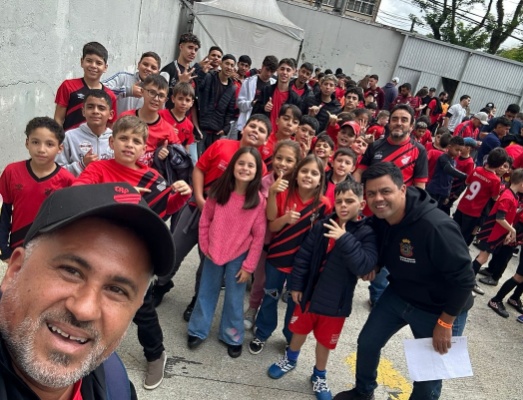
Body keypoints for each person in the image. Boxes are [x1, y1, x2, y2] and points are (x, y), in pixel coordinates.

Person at [0, 181, 174, 399]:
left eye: (117, 290)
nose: (84, 309)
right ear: (15, 270)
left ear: (136, 308)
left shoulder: (115, 384)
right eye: (71, 271)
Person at [333, 162, 475, 400]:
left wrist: (446, 322)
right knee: (368, 342)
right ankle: (363, 392)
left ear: (402, 189)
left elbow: (465, 279)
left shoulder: (436, 227)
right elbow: (381, 242)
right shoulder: (381, 217)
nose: (378, 199)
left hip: (440, 308)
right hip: (400, 294)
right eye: (371, 193)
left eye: (385, 191)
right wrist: (376, 263)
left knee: (427, 379)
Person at [75, 115, 191, 389]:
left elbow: (164, 210)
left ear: (144, 148)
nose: (129, 144)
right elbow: (77, 194)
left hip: (135, 255)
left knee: (142, 308)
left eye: (136, 141)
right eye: (124, 138)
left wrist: (182, 195)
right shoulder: (98, 169)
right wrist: (120, 192)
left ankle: (155, 354)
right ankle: (87, 349)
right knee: (91, 302)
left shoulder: (153, 178)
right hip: (98, 250)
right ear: (112, 142)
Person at [267, 180, 377, 400]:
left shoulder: (366, 233)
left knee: (325, 340)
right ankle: (290, 358)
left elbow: (363, 265)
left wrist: (344, 238)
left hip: (336, 302)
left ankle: (319, 374)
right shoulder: (322, 225)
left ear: (362, 204)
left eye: (349, 201)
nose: (343, 205)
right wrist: (297, 285)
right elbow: (304, 257)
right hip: (309, 294)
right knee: (299, 330)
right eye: (339, 201)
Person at [151, 115, 271, 316]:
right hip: (197, 206)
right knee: (176, 248)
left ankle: (197, 299)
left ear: (266, 140)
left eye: (261, 130)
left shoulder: (260, 167)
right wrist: (199, 198)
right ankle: (161, 285)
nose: (255, 131)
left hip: (223, 222)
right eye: (253, 126)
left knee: (208, 260)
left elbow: (251, 200)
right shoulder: (222, 145)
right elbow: (199, 169)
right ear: (243, 127)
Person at [249, 155, 332, 355]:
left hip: (302, 266)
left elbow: (324, 238)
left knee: (295, 304)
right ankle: (262, 332)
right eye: (304, 171)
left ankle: (290, 337)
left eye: (314, 173)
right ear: (296, 174)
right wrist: (285, 218)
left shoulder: (324, 205)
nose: (308, 176)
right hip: (277, 258)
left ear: (320, 180)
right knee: (270, 296)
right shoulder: (283, 194)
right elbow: (271, 224)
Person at [187, 147, 266, 358]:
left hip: (239, 256)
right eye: (241, 163)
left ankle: (232, 335)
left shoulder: (258, 200)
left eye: (251, 165)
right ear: (233, 166)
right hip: (213, 251)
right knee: (206, 291)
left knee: (234, 297)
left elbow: (258, 236)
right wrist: (205, 246)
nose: (245, 168)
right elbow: (205, 220)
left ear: (257, 171)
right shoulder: (218, 191)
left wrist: (249, 266)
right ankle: (198, 329)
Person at [244, 140, 302, 330]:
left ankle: (265, 317)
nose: (282, 164)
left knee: (274, 284)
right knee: (259, 280)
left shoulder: (299, 186)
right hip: (264, 242)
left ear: (297, 163)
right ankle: (253, 308)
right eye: (279, 158)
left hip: (286, 245)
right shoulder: (264, 182)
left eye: (289, 160)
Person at [0, 117, 74, 260]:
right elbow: (3, 213)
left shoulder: (67, 180)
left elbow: (70, 222)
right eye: (35, 142)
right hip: (17, 248)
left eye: (49, 144)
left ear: (60, 148)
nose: (41, 149)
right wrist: (4, 249)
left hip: (50, 250)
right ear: (27, 143)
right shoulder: (11, 172)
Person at [470, 169, 523, 296]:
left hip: (496, 234)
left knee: (483, 257)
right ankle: (468, 282)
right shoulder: (508, 197)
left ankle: (468, 280)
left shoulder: (513, 196)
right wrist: (512, 230)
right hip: (491, 233)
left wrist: (509, 230)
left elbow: (509, 216)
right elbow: (500, 218)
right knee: (482, 258)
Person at [119, 74, 180, 167]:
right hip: (120, 170)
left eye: (161, 96)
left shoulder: (168, 130)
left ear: (165, 100)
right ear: (142, 91)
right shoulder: (125, 118)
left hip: (148, 174)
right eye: (152, 92)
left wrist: (167, 154)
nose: (156, 99)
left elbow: (180, 157)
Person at [54, 42, 117, 131]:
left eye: (98, 63)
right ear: (82, 62)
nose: (93, 66)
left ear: (105, 67)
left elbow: (110, 125)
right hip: (69, 139)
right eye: (89, 61)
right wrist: (59, 138)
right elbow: (58, 119)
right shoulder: (68, 86)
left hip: (96, 140)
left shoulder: (110, 95)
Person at [453, 147, 508, 246]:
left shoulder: (477, 169)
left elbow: (467, 183)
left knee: (452, 229)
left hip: (462, 205)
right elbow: (494, 197)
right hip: (474, 212)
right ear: (500, 165)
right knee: (463, 237)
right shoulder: (496, 180)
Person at [56, 89, 115, 176]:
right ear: (83, 111)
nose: (95, 111)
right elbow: (57, 172)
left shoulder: (116, 139)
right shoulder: (69, 137)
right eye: (90, 107)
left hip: (109, 185)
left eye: (101, 108)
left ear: (111, 114)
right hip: (78, 184)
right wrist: (81, 165)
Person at [197, 54, 238, 150]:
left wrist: (226, 128)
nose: (229, 67)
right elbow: (197, 89)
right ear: (221, 64)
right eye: (227, 63)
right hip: (201, 127)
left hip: (216, 131)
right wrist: (201, 73)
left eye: (232, 65)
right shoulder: (209, 77)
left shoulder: (232, 88)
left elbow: (229, 111)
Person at [103, 51, 161, 116]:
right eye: (145, 64)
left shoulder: (158, 91)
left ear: (158, 72)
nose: (148, 69)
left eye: (153, 68)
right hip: (116, 121)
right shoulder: (123, 77)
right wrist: (128, 91)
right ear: (138, 65)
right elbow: (100, 89)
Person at [252, 58, 301, 132]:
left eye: (288, 70)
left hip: (282, 135)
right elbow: (254, 111)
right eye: (282, 69)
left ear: (293, 73)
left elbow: (296, 123)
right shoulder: (266, 90)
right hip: (265, 133)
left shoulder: (295, 99)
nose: (284, 72)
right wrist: (264, 108)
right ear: (277, 70)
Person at [236, 55, 278, 135]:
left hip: (263, 128)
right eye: (267, 70)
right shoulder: (248, 82)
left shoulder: (275, 85)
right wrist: (251, 103)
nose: (268, 74)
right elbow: (239, 104)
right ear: (262, 66)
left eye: (272, 72)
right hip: (247, 124)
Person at [426, 136, 467, 212]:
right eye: (457, 150)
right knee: (428, 211)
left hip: (443, 193)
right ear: (449, 147)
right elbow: (449, 170)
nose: (458, 153)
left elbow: (450, 180)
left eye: (460, 151)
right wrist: (466, 176)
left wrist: (447, 195)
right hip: (434, 190)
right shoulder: (443, 158)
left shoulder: (453, 161)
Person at [158, 82, 196, 153]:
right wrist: (167, 132)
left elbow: (186, 147)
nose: (183, 103)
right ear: (173, 99)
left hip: (176, 157)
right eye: (180, 99)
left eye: (187, 100)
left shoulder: (190, 125)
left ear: (192, 103)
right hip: (158, 153)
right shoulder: (161, 115)